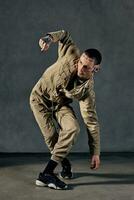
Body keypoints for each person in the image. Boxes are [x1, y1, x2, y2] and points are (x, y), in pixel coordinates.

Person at [29, 29, 102, 190]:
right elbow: (64, 34)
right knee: (52, 138)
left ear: (95, 69)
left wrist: (95, 152)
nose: (80, 67)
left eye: (86, 67)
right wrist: (49, 38)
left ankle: (46, 174)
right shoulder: (71, 52)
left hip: (60, 105)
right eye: (81, 62)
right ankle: (65, 165)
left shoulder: (87, 91)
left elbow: (91, 121)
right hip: (39, 99)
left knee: (72, 128)